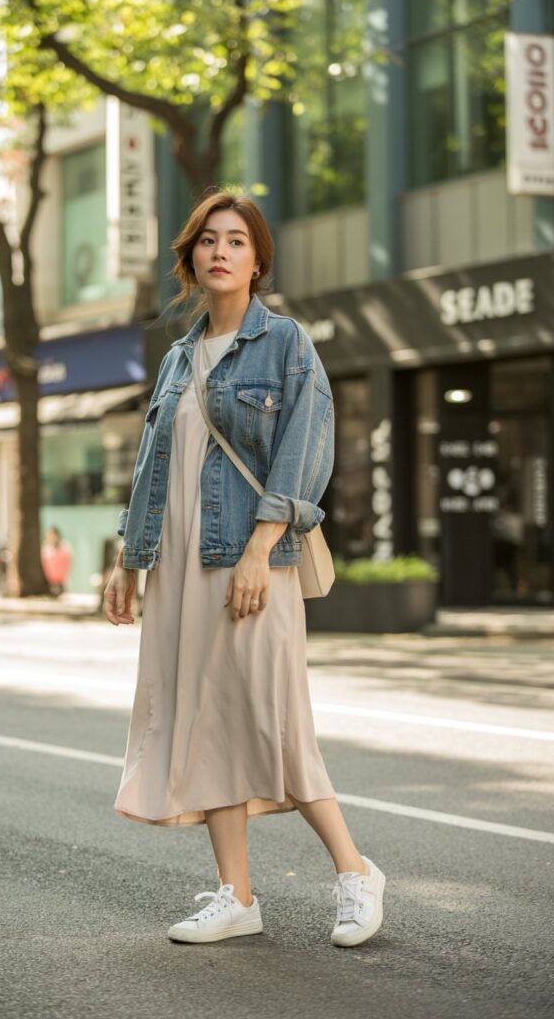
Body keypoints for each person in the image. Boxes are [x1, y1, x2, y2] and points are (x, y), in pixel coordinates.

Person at [103, 191, 385, 947]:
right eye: (207, 240)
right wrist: (129, 558)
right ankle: (237, 895)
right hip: (179, 564)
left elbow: (304, 450)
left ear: (258, 260)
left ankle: (355, 872)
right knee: (209, 723)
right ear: (191, 257)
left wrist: (262, 549)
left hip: (248, 556)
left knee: (272, 718)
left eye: (236, 241)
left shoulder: (286, 343)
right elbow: (150, 464)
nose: (220, 251)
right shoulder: (175, 358)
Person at [41, 526, 72, 596]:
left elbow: (68, 563)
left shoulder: (64, 547)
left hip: (60, 581)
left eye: (52, 535)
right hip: (48, 581)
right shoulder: (45, 548)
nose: (51, 537)